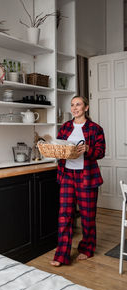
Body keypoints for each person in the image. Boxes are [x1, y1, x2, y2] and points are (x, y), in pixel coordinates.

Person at [51, 95, 106, 267]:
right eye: (73, 105)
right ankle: (62, 254)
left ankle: (87, 248)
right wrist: (57, 151)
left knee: (88, 216)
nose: (75, 108)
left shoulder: (95, 129)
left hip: (86, 176)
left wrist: (89, 149)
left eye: (79, 105)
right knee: (64, 216)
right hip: (67, 175)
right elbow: (59, 148)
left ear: (86, 108)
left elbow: (101, 152)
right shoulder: (65, 127)